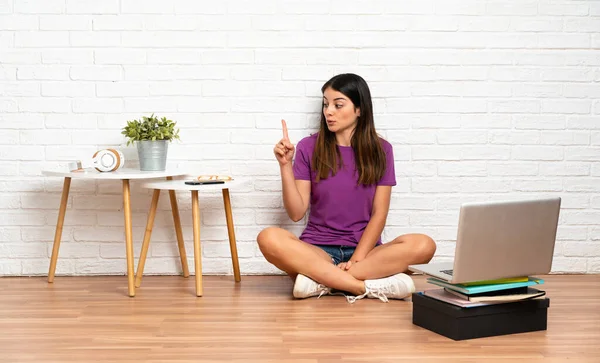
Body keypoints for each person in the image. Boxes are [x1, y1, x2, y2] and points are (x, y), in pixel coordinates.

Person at [257, 73, 436, 303]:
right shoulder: (307, 147)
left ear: (359, 109)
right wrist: (285, 166)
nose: (328, 111)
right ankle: (363, 287)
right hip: (318, 251)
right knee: (269, 237)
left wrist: (358, 259)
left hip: (367, 252)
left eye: (338, 104)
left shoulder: (382, 150)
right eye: (325, 104)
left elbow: (379, 214)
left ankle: (322, 282)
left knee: (424, 245)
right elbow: (296, 212)